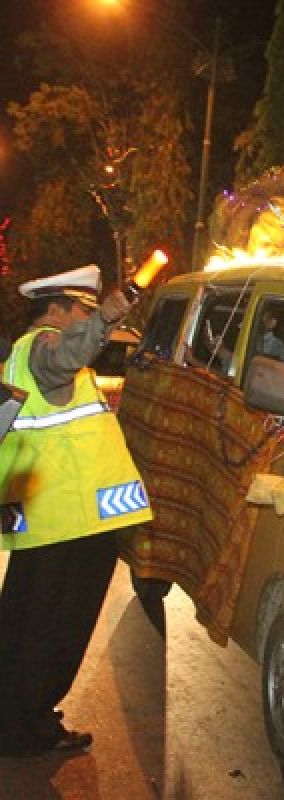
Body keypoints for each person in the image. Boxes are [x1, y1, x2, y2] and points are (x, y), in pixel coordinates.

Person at [0, 265, 153, 756]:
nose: (87, 323)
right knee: (54, 628)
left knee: (26, 623)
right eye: (82, 312)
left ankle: (17, 715)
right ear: (58, 309)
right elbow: (66, 355)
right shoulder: (44, 347)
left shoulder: (30, 355)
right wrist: (107, 315)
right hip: (70, 521)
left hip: (56, 519)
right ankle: (28, 727)